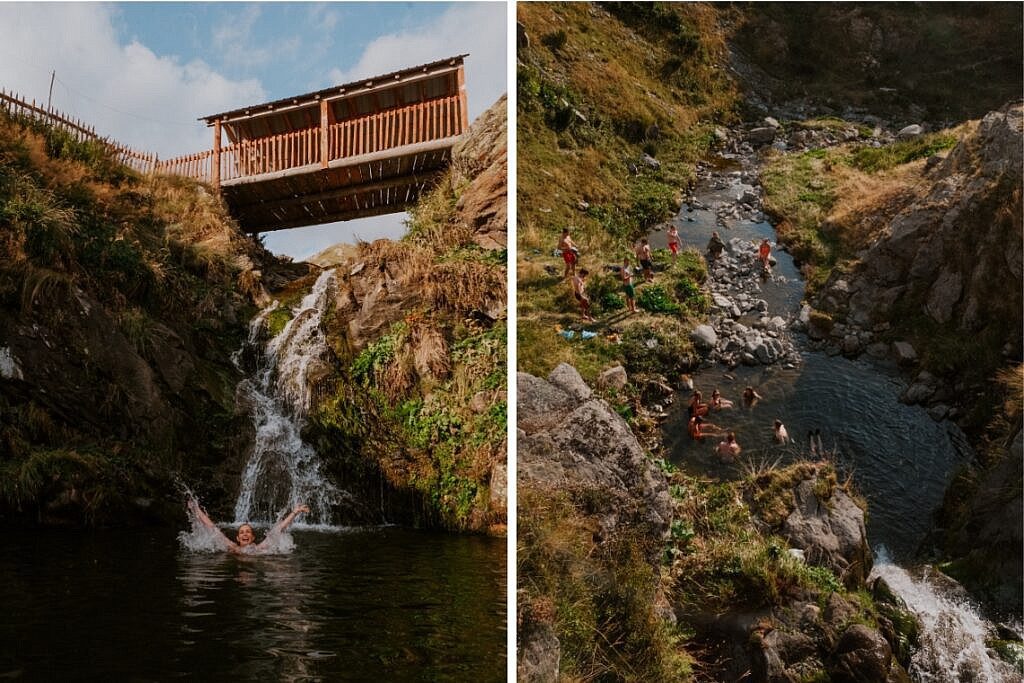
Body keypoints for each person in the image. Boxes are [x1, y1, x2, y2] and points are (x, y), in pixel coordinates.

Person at [189, 499, 310, 554]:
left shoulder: (259, 549)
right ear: (237, 538)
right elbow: (212, 528)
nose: (245, 534)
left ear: (252, 538)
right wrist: (196, 509)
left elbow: (278, 529)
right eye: (242, 532)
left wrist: (295, 512)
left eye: (247, 532)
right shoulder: (232, 547)